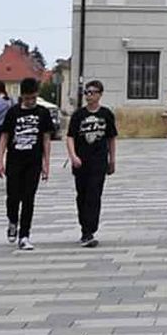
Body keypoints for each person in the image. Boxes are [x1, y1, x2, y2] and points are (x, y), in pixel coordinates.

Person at [0, 76, 54, 251]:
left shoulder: (43, 113)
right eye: (27, 98)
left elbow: (46, 139)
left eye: (33, 98)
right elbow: (5, 136)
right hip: (14, 160)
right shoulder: (13, 112)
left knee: (29, 198)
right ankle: (13, 221)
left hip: (33, 161)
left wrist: (46, 163)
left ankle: (24, 235)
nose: (30, 101)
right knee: (13, 197)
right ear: (22, 96)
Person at [66, 79, 117, 247]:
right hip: (81, 161)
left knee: (94, 195)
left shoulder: (106, 114)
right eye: (87, 92)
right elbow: (70, 137)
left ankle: (89, 231)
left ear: (100, 95)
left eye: (92, 92)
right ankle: (84, 228)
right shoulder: (78, 115)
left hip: (99, 161)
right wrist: (73, 156)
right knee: (82, 195)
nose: (89, 96)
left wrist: (112, 160)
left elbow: (111, 138)